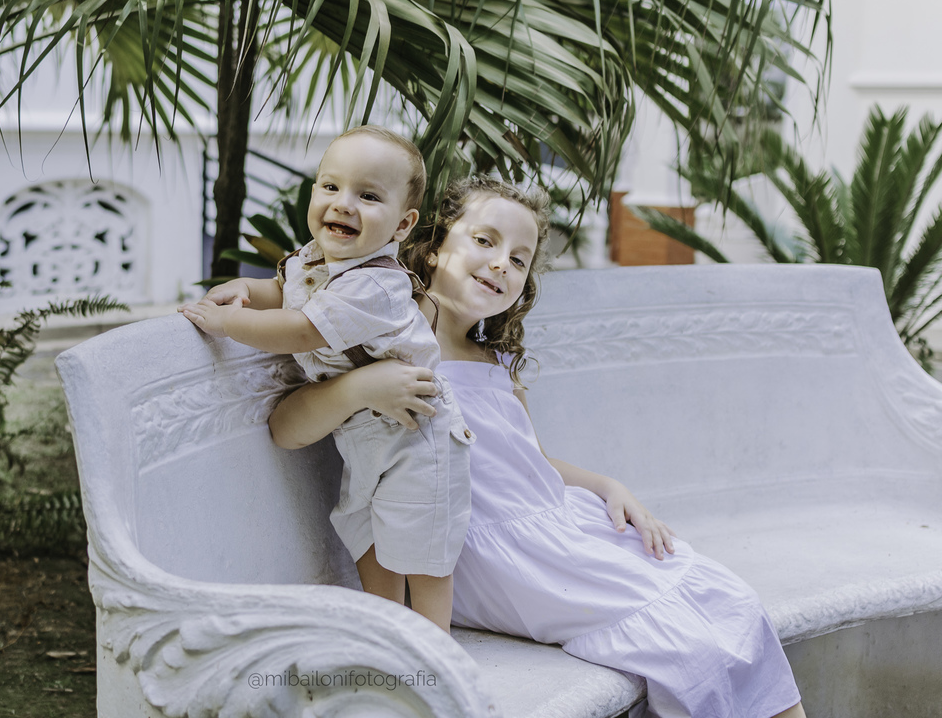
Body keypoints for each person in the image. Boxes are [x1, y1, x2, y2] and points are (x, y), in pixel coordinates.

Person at [267, 175, 807, 718]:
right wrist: (361, 387)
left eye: (519, 259)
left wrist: (607, 486)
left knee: (735, 604)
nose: (501, 263)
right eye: (484, 240)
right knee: (691, 647)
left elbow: (531, 463)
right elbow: (286, 428)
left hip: (558, 522)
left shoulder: (496, 363)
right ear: (432, 248)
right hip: (490, 553)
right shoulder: (387, 343)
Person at [179, 125, 472, 632]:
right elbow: (283, 294)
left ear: (403, 225)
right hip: (363, 430)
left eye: (368, 196)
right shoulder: (316, 259)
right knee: (366, 533)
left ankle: (435, 646)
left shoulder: (376, 283)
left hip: (415, 434)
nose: (343, 203)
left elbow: (301, 328)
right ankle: (385, 633)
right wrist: (244, 288)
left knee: (420, 549)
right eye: (331, 186)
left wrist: (229, 323)